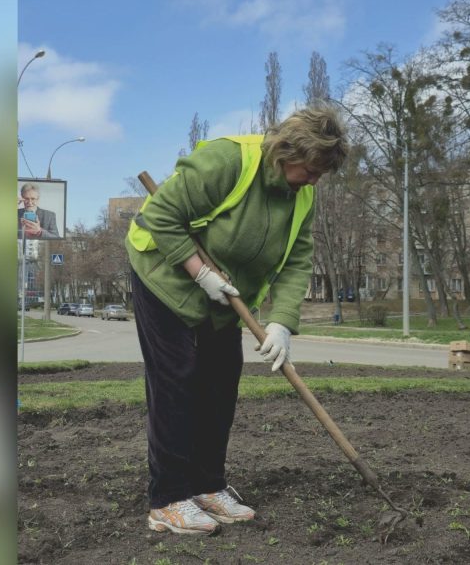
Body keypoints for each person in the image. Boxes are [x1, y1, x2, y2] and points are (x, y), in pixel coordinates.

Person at [125, 107, 349, 535]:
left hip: (226, 295)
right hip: (164, 277)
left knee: (221, 381)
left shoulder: (302, 192)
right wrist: (200, 272)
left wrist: (282, 322)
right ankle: (168, 498)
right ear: (288, 151)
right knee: (177, 379)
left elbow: (298, 259)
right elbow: (159, 217)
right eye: (313, 168)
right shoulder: (228, 161)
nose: (316, 179)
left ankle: (208, 485)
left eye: (324, 172)